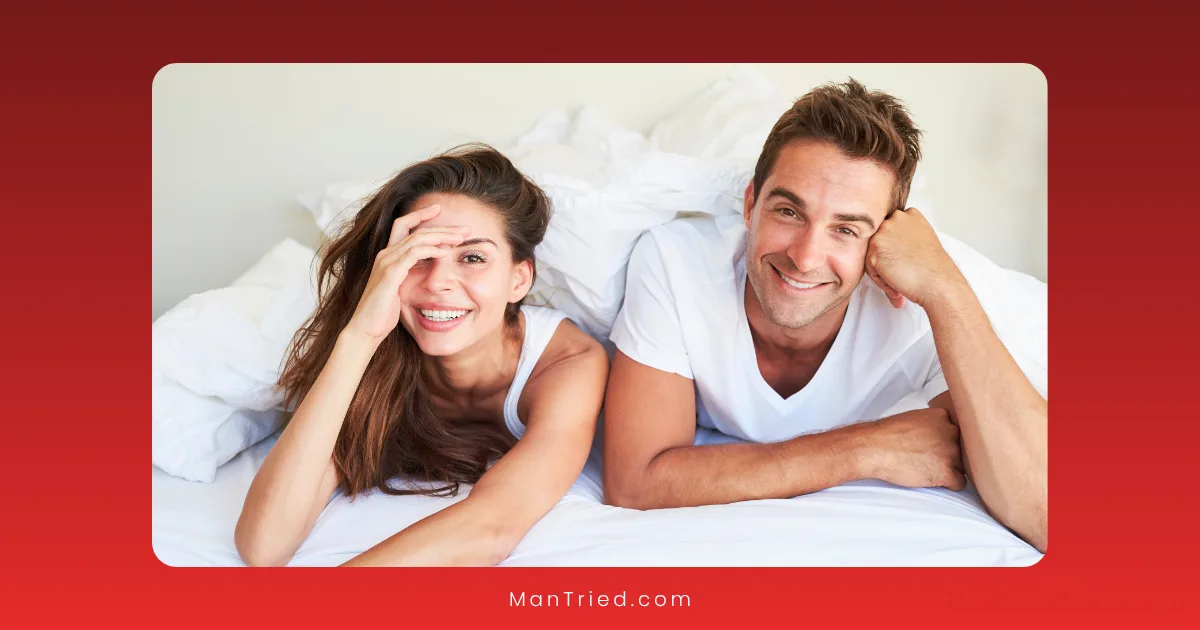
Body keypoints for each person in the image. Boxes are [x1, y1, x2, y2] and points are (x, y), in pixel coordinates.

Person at [602, 80, 1048, 553]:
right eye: (790, 211)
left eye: (846, 229)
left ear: (881, 242)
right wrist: (867, 448)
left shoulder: (923, 307)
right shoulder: (676, 262)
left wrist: (946, 292)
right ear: (751, 205)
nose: (806, 256)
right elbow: (634, 483)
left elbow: (1048, 511)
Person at [235, 145, 608, 566]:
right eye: (420, 256)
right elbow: (263, 545)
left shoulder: (567, 362)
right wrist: (359, 336)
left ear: (519, 280)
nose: (437, 283)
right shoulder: (377, 354)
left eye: (472, 257)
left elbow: (491, 526)